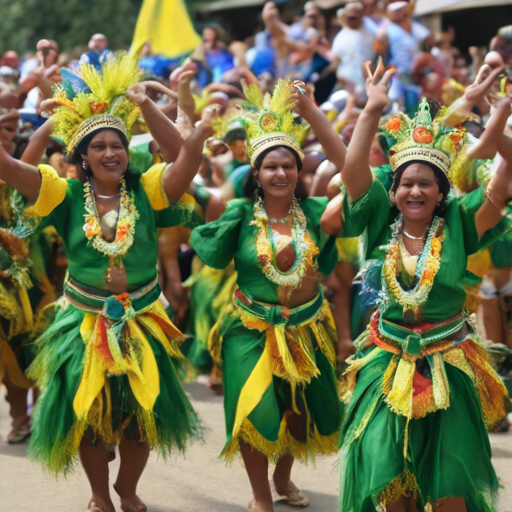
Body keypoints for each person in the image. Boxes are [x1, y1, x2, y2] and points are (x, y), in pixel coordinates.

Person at [0, 53, 214, 512]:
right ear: (81, 156)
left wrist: (148, 105)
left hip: (143, 316)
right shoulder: (63, 193)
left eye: (117, 145)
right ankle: (100, 493)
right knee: (90, 415)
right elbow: (8, 167)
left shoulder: (148, 189)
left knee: (143, 415)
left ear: (128, 152)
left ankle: (128, 488)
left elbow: (185, 158)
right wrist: (40, 121)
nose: (110, 153)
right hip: (83, 318)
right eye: (98, 147)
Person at [320, 59, 512, 512]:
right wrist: (371, 110)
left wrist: (499, 115)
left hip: (448, 358)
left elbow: (501, 188)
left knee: (449, 484)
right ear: (393, 189)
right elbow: (351, 173)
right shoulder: (377, 221)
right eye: (406, 183)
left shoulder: (463, 222)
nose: (415, 191)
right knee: (391, 481)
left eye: (426, 183)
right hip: (386, 357)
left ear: (441, 192)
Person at [190, 79, 347, 512]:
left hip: (307, 326)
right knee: (254, 408)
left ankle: (283, 476)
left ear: (299, 171)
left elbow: (357, 179)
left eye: (288, 166)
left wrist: (315, 114)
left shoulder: (317, 213)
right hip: (250, 327)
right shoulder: (238, 213)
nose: (280, 174)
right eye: (270, 167)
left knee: (297, 413)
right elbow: (191, 195)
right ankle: (261, 496)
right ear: (255, 174)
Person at [331, 2, 377, 93]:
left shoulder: (371, 29)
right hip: (346, 85)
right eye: (348, 17)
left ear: (361, 14)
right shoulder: (341, 36)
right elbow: (336, 61)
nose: (350, 19)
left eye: (353, 17)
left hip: (366, 84)